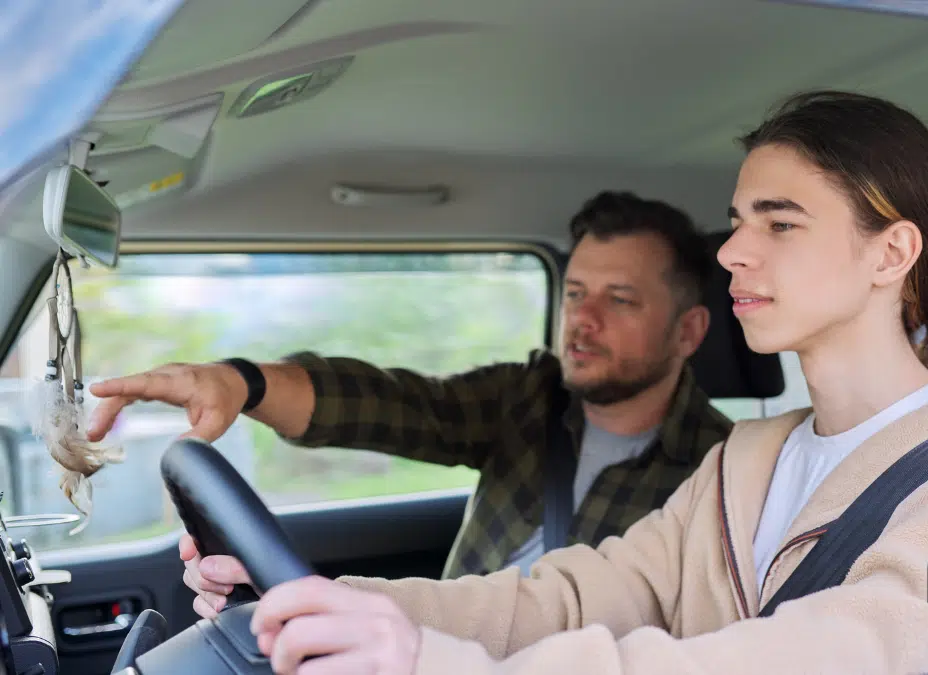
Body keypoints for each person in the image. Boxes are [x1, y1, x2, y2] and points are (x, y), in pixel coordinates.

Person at [173, 90, 928, 675]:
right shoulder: (748, 461)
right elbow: (567, 600)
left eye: (779, 223)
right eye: (738, 220)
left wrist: (437, 665)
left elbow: (845, 655)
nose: (732, 250)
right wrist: (341, 606)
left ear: (890, 252)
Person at [86, 190, 735, 582]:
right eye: (574, 293)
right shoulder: (529, 398)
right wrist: (242, 382)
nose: (583, 320)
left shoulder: (727, 471)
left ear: (688, 331)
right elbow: (393, 405)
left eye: (620, 300)